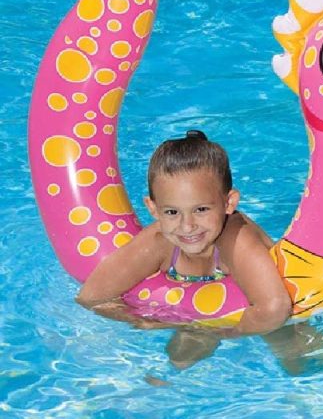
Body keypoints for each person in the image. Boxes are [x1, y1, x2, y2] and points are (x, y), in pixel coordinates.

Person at [79, 130, 293, 367]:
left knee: (296, 353)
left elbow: (274, 308)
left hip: (263, 322)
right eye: (171, 212)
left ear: (229, 202)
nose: (187, 226)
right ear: (153, 208)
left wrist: (225, 331)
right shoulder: (159, 241)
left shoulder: (236, 239)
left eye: (201, 209)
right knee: (178, 359)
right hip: (190, 319)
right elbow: (91, 297)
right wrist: (144, 320)